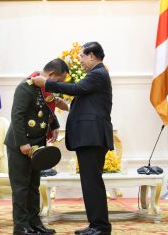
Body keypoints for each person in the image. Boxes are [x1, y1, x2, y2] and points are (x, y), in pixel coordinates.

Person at [32, 42, 113, 235]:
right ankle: (96, 225)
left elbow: (76, 89)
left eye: (82, 57)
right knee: (90, 183)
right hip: (91, 137)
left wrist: (47, 83)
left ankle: (100, 227)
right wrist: (66, 107)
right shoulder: (97, 75)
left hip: (92, 138)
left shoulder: (98, 73)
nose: (81, 62)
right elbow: (89, 105)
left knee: (92, 183)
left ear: (92, 55)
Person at [4, 58, 69, 235]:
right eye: (59, 81)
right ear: (51, 75)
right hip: (21, 144)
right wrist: (23, 143)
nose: (59, 85)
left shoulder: (44, 89)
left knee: (34, 185)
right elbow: (17, 116)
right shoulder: (26, 87)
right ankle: (21, 226)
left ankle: (34, 223)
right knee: (21, 187)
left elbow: (47, 109)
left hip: (38, 143)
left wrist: (54, 124)